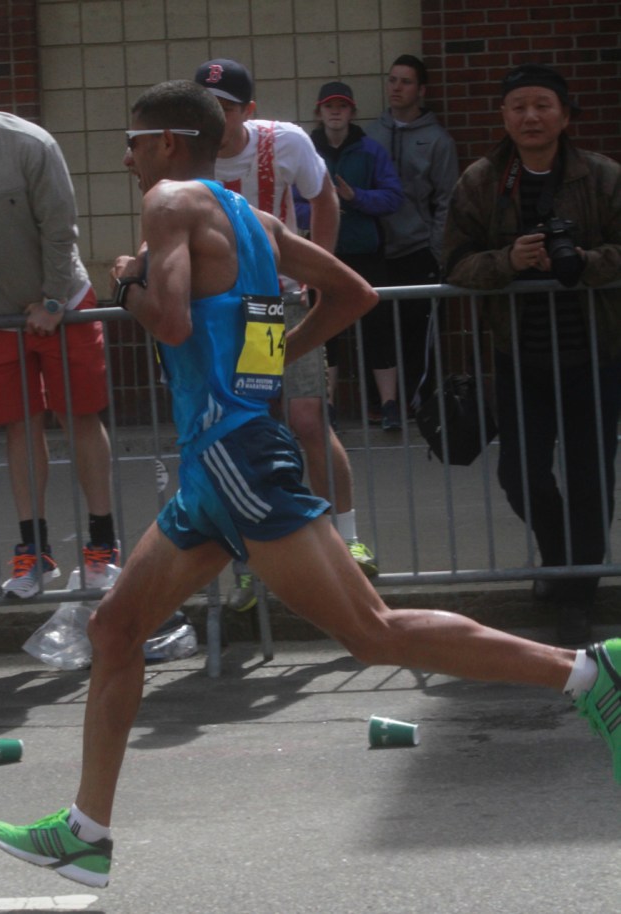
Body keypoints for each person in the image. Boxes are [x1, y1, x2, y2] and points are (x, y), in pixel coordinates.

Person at [0, 79, 621, 890]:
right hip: (216, 469)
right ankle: (85, 832)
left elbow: (170, 318)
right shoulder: (254, 218)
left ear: (172, 143)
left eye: (135, 139)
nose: (126, 153)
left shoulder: (171, 200)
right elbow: (351, 293)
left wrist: (126, 282)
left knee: (373, 632)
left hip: (238, 461)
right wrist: (275, 358)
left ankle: (590, 672)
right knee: (115, 631)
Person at [443, 63, 621, 646]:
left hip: (596, 351)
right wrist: (507, 263)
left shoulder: (602, 177)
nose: (530, 116)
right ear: (504, 117)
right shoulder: (482, 180)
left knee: (591, 476)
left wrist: (586, 265)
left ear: (565, 116)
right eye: (518, 106)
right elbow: (454, 264)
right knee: (520, 473)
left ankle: (577, 595)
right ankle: (562, 559)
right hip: (519, 354)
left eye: (543, 105)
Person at [194, 58, 378, 613]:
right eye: (206, 107)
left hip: (280, 300)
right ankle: (253, 564)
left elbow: (323, 196)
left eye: (225, 109)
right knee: (247, 432)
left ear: (247, 111)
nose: (214, 119)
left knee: (305, 418)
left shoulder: (286, 142)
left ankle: (348, 540)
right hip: (226, 310)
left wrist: (320, 275)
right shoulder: (187, 154)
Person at [0, 50, 117, 596]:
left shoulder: (31, 145)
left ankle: (101, 546)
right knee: (20, 427)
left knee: (79, 417)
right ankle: (33, 554)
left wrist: (49, 301)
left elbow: (59, 226)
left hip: (61, 304)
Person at [294, 81, 404, 431]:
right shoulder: (305, 151)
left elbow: (393, 197)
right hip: (323, 255)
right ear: (319, 111)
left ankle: (389, 406)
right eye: (329, 106)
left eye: (342, 105)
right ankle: (327, 407)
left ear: (352, 111)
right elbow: (291, 205)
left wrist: (356, 199)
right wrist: (326, 209)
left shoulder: (371, 151)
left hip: (366, 254)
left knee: (379, 330)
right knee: (325, 330)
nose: (336, 111)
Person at [366, 54, 458, 410]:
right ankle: (384, 407)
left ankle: (419, 406)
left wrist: (436, 248)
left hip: (418, 249)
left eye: (405, 82)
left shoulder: (438, 140)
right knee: (378, 331)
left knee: (417, 334)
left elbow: (448, 199)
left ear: (421, 90)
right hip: (377, 251)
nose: (396, 88)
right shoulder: (372, 135)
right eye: (392, 80)